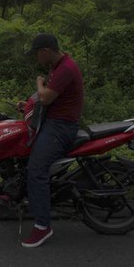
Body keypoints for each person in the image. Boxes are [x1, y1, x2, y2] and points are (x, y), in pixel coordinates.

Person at [21, 33, 84, 248]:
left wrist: (39, 83)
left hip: (61, 128)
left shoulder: (65, 69)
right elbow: (50, 98)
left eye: (37, 54)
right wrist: (29, 104)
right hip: (55, 123)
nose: (36, 58)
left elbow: (46, 97)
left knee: (36, 170)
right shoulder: (59, 66)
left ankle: (42, 226)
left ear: (45, 51)